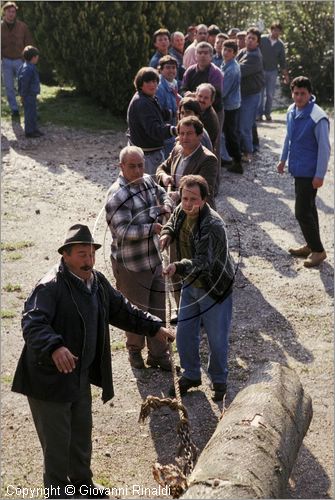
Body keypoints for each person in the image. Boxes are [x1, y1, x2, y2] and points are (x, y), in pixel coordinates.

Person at [12, 223, 174, 499]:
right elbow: (32, 322)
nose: (88, 260)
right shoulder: (49, 286)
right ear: (66, 255)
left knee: (81, 433)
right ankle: (57, 492)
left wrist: (154, 326)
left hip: (78, 375)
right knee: (56, 441)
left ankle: (81, 484)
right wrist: (55, 347)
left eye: (91, 254)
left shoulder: (96, 282)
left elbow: (122, 310)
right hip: (48, 380)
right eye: (81, 255)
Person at [160, 175, 235, 401]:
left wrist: (177, 266)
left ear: (204, 200)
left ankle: (219, 381)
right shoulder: (182, 210)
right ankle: (191, 374)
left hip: (214, 289)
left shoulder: (212, 224)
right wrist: (166, 233)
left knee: (216, 338)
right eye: (185, 198)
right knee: (184, 333)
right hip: (190, 284)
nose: (189, 203)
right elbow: (173, 221)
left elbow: (203, 262)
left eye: (194, 199)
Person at [105, 146, 174, 369]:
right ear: (121, 167)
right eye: (132, 166)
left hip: (153, 259)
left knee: (158, 310)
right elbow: (122, 232)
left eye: (140, 165)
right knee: (135, 313)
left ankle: (159, 355)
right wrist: (150, 228)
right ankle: (135, 352)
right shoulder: (117, 195)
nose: (137, 170)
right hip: (131, 266)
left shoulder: (146, 180)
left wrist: (166, 205)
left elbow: (162, 193)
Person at [277, 76, 330, 268]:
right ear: (292, 93)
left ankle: (318, 251)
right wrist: (283, 159)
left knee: (301, 211)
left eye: (303, 93)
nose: (299, 97)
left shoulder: (318, 116)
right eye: (296, 93)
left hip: (310, 171)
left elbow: (325, 149)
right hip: (298, 168)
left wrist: (320, 175)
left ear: (309, 94)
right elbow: (288, 138)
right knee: (309, 207)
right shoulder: (291, 110)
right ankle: (311, 245)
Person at [156, 116, 218, 209]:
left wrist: (178, 195)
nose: (185, 137)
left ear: (200, 135)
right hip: (177, 209)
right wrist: (164, 177)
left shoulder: (208, 159)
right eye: (182, 133)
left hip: (197, 212)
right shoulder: (177, 150)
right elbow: (161, 168)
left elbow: (204, 190)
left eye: (189, 133)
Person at [127, 67, 177, 176]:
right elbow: (154, 130)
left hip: (144, 152)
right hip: (148, 156)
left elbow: (157, 114)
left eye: (155, 81)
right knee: (153, 189)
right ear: (140, 84)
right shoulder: (142, 102)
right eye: (148, 81)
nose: (152, 85)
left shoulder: (147, 98)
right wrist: (174, 130)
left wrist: (174, 113)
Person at [236, 27, 264, 163]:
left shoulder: (254, 56)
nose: (250, 40)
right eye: (249, 38)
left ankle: (248, 152)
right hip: (242, 94)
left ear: (258, 42)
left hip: (251, 95)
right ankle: (250, 147)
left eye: (253, 39)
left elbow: (238, 69)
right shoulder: (242, 51)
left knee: (244, 126)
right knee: (248, 123)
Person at [1, 1, 33, 117]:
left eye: (13, 12)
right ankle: (14, 110)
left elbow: (29, 43)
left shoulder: (22, 26)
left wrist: (29, 60)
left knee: (24, 85)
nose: (11, 14)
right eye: (9, 12)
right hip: (5, 61)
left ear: (15, 13)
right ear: (4, 12)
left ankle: (27, 107)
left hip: (20, 60)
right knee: (9, 87)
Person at [258, 22, 289, 121]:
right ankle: (259, 115)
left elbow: (282, 61)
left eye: (278, 31)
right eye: (274, 30)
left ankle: (267, 113)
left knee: (270, 94)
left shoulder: (280, 45)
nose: (276, 32)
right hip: (261, 70)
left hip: (272, 71)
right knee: (260, 94)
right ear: (270, 30)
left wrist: (286, 75)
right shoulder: (262, 39)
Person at [221, 40, 243, 174]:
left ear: (234, 53)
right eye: (225, 49)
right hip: (231, 103)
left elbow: (224, 91)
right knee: (228, 133)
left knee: (230, 134)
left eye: (229, 51)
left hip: (230, 105)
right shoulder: (226, 64)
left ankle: (237, 161)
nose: (226, 52)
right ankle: (232, 158)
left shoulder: (232, 69)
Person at [156, 55, 181, 157]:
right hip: (165, 133)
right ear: (161, 70)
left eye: (173, 67)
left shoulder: (174, 84)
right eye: (168, 67)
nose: (171, 70)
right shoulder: (159, 88)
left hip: (172, 131)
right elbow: (159, 112)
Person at [18, 45, 43, 138]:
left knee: (33, 112)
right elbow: (24, 83)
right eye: (37, 57)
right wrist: (23, 96)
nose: (38, 59)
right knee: (29, 113)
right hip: (28, 95)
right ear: (33, 58)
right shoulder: (28, 68)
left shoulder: (29, 66)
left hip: (31, 94)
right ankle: (29, 131)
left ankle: (34, 129)